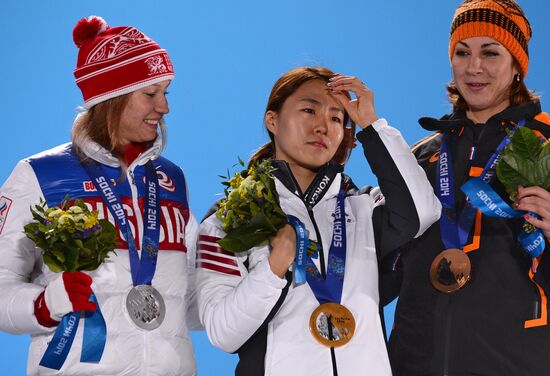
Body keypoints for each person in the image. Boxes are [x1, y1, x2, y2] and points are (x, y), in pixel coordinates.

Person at [196, 66, 441, 375]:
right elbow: (222, 332)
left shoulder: (363, 208)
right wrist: (273, 270)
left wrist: (370, 124)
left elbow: (423, 212)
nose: (323, 126)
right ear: (272, 120)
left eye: (337, 118)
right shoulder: (229, 219)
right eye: (309, 110)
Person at [0, 16, 199, 375]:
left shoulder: (171, 180)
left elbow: (192, 302)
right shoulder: (38, 175)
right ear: (112, 97)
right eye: (151, 94)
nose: (164, 107)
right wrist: (43, 305)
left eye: (166, 92)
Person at [387, 1, 550, 375]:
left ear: (517, 66)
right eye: (463, 52)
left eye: (490, 53)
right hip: (415, 363)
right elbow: (379, 273)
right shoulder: (420, 158)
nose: (474, 67)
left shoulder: (546, 148)